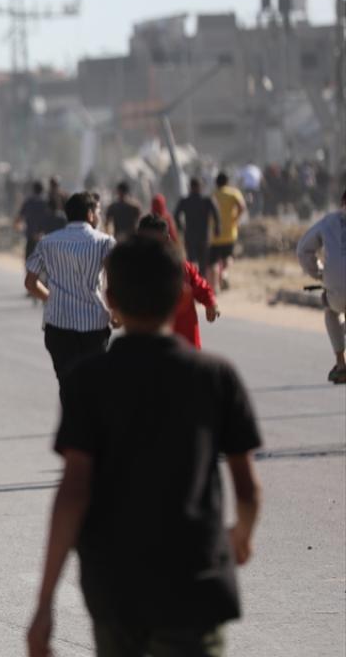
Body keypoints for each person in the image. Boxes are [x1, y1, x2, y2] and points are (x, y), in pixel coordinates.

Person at [27, 235, 263, 657]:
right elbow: (247, 489)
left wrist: (45, 603)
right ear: (182, 296)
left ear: (110, 299)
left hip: (116, 589)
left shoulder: (88, 380)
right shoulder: (215, 376)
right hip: (195, 586)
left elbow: (73, 492)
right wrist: (242, 536)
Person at [25, 192, 117, 382]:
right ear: (90, 214)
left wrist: (51, 298)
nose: (99, 216)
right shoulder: (105, 242)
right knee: (93, 383)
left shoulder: (47, 243)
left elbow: (30, 283)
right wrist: (117, 314)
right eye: (98, 212)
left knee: (67, 384)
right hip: (94, 327)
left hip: (58, 326)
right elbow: (116, 282)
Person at [137, 215, 219, 349]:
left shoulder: (180, 267)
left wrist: (210, 302)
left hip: (184, 341)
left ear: (166, 240)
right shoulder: (134, 271)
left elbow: (199, 284)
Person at [296, 188, 346, 384]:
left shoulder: (329, 221)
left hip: (336, 288)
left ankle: (341, 364)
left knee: (331, 310)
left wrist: (318, 273)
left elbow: (303, 250)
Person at [208, 172, 246, 292]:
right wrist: (236, 219)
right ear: (227, 182)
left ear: (216, 183)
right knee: (228, 257)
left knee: (214, 261)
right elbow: (242, 206)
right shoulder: (233, 193)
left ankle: (215, 285)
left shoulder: (213, 195)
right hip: (230, 233)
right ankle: (224, 273)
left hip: (215, 234)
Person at [174, 178, 220, 268]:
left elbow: (176, 215)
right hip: (204, 236)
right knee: (203, 263)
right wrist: (217, 228)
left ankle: (193, 276)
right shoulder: (207, 200)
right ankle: (202, 276)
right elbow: (216, 214)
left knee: (191, 262)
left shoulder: (185, 201)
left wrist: (181, 228)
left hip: (190, 236)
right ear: (200, 187)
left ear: (190, 187)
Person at [16, 181, 52, 262]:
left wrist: (17, 225)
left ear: (33, 190)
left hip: (30, 236)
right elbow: (50, 218)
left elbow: (20, 216)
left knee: (29, 261)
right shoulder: (46, 202)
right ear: (42, 190)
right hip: (43, 237)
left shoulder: (28, 201)